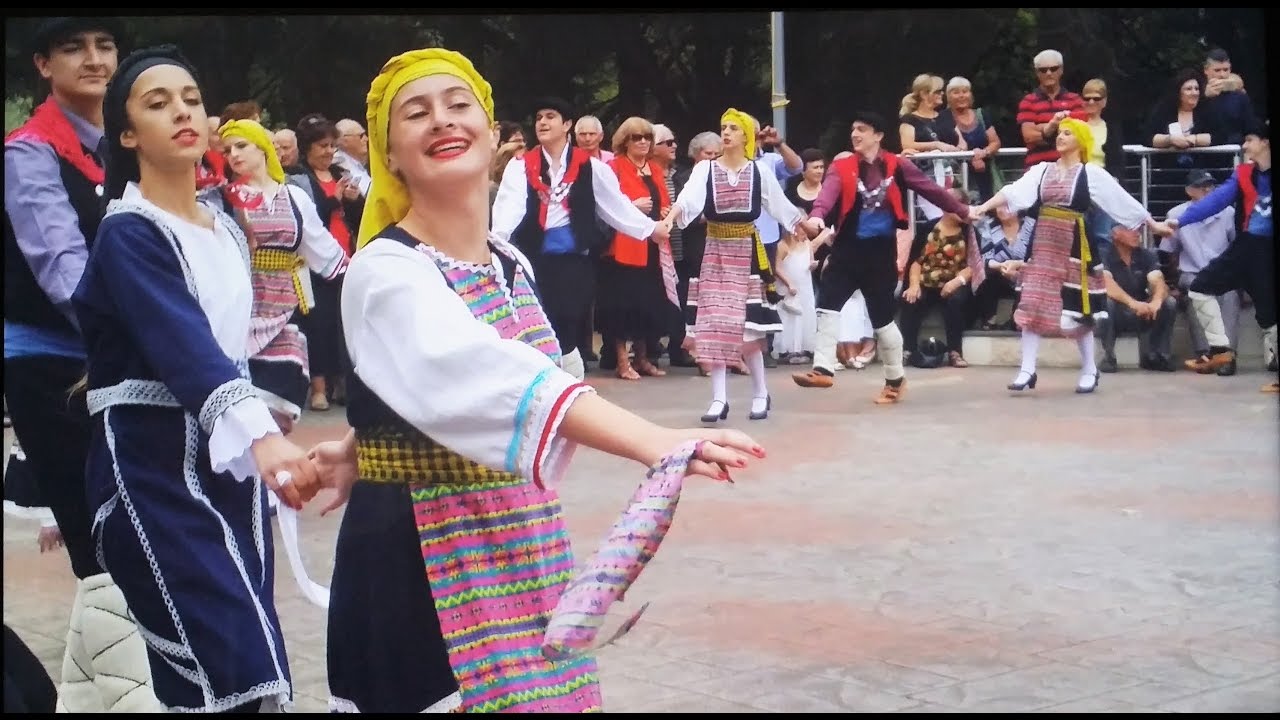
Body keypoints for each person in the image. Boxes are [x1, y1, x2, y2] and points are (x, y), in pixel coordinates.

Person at [314, 47, 764, 714]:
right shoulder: (385, 268)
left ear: (493, 135)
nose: (443, 120)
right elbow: (476, 370)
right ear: (390, 153)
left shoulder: (508, 260)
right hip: (422, 554)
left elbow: (471, 388)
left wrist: (365, 443)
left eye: (459, 105)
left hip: (521, 539)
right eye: (417, 112)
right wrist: (652, 440)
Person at [71, 45, 321, 712]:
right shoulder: (129, 232)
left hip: (228, 474)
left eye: (190, 97)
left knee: (257, 659)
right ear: (127, 134)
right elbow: (182, 344)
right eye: (157, 103)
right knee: (223, 662)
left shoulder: (228, 231)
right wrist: (263, 436)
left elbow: (241, 342)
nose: (182, 110)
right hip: (151, 474)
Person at [3, 16, 163, 712]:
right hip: (52, 370)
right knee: (105, 551)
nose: (95, 60)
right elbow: (62, 267)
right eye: (74, 47)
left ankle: (79, 698)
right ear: (43, 63)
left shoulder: (133, 147)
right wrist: (142, 334)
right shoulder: (29, 153)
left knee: (123, 546)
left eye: (104, 45)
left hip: (127, 364)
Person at [969, 117, 1168, 393]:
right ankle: (1027, 369)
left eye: (1067, 133)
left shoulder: (1090, 173)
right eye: (1059, 133)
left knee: (1076, 311)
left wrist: (1152, 223)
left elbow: (1119, 199)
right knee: (1032, 304)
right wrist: (982, 208)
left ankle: (1089, 368)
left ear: (1080, 140)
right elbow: (1012, 192)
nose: (1060, 137)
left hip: (1074, 242)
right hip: (1042, 242)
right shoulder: (1042, 170)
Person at [656, 108, 806, 422]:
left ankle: (760, 392)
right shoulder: (706, 170)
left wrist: (799, 223)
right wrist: (670, 218)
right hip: (714, 250)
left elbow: (778, 204)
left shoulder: (758, 171)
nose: (726, 133)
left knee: (748, 329)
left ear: (746, 136)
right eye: (723, 127)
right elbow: (687, 200)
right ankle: (719, 397)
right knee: (714, 325)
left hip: (746, 250)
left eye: (733, 129)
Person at [1155, 119, 1275, 393]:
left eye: (1249, 140)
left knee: (1269, 315)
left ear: (1265, 143)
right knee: (1200, 287)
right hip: (1247, 246)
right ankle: (1221, 349)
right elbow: (1215, 201)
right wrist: (1181, 221)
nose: (1244, 145)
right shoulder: (1244, 173)